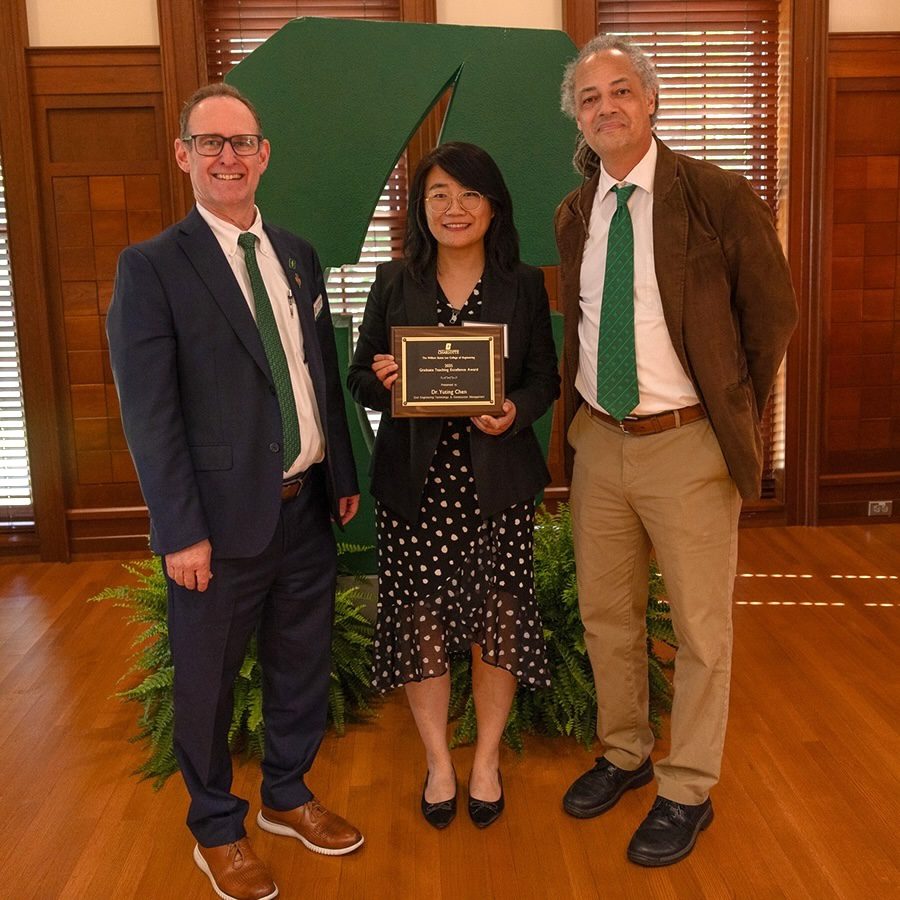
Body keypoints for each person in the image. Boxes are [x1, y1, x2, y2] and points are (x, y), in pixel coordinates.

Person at [107, 83, 364, 900]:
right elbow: (150, 414)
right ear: (183, 154)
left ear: (264, 156)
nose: (228, 156)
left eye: (243, 142)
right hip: (216, 528)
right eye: (210, 142)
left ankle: (288, 794)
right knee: (208, 681)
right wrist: (180, 530)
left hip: (308, 508)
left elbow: (319, 374)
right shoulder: (151, 268)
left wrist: (343, 475)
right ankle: (216, 825)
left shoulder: (295, 252)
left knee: (300, 664)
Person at [555, 36, 797, 866]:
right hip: (598, 441)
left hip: (687, 443)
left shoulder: (718, 197)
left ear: (651, 101)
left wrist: (728, 408)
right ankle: (624, 753)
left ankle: (687, 786)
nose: (607, 108)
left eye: (621, 91)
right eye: (590, 99)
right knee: (606, 614)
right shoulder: (576, 211)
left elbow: (771, 318)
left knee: (700, 630)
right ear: (578, 119)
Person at [348, 142, 560, 830]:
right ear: (420, 207)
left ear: (493, 205)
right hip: (415, 493)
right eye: (438, 194)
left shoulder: (524, 284)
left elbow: (542, 380)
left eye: (468, 194)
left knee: (496, 622)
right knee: (422, 627)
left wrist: (514, 412)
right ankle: (439, 760)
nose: (454, 208)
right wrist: (381, 383)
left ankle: (487, 759)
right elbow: (357, 376)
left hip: (495, 489)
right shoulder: (394, 280)